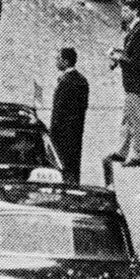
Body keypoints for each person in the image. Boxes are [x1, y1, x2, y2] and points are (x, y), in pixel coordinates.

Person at [106, 0, 140, 179]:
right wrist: (119, 54)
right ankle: (122, 150)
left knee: (135, 119)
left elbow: (138, 61)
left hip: (136, 82)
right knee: (127, 118)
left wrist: (118, 58)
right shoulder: (134, 30)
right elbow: (130, 53)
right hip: (131, 82)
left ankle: (138, 154)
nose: (123, 14)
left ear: (135, 12)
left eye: (126, 11)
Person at [49, 48, 90, 185]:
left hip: (62, 133)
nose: (56, 61)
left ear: (66, 62)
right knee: (74, 165)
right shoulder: (82, 80)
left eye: (58, 59)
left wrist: (52, 131)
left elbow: (59, 110)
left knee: (62, 166)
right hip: (76, 130)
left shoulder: (65, 82)